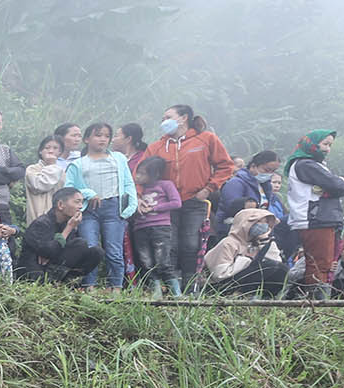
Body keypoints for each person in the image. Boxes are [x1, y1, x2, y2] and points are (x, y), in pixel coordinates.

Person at [146, 105, 235, 288]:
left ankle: (191, 286)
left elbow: (226, 166)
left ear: (183, 118)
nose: (164, 122)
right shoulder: (157, 147)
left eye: (168, 117)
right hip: (167, 204)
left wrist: (209, 188)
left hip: (195, 201)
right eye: (163, 118)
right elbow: (141, 173)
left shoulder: (206, 139)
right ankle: (170, 286)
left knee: (191, 244)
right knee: (169, 245)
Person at [63, 122, 137, 289]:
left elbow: (128, 183)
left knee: (114, 250)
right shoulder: (78, 163)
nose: (102, 139)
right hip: (89, 210)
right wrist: (88, 193)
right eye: (98, 135)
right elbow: (69, 188)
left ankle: (116, 287)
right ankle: (90, 286)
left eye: (106, 136)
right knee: (90, 248)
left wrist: (131, 206)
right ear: (87, 139)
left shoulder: (118, 158)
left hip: (114, 207)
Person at [282, 129, 344, 300]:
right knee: (320, 263)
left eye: (330, 145)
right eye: (325, 144)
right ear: (311, 145)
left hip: (322, 219)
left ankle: (308, 299)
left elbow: (339, 185)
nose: (328, 149)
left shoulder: (316, 165)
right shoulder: (305, 164)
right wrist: (339, 181)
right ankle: (317, 305)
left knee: (323, 263)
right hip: (315, 219)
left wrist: (339, 183)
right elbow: (338, 186)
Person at [15, 188, 101, 284]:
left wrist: (68, 229)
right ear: (60, 205)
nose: (80, 207)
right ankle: (51, 282)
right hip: (33, 271)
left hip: (51, 265)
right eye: (77, 202)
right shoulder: (41, 223)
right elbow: (49, 251)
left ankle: (67, 281)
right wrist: (69, 228)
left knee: (96, 252)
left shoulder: (66, 223)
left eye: (82, 202)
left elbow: (68, 251)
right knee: (80, 243)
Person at [218, 151, 291, 258]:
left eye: (273, 171)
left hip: (261, 227)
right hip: (237, 227)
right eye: (266, 170)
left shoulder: (265, 186)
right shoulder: (236, 183)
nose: (269, 174)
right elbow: (232, 208)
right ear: (253, 166)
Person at [202, 207, 288, 296]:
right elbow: (219, 274)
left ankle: (266, 298)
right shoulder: (228, 243)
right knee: (270, 267)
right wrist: (246, 260)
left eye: (266, 222)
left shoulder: (257, 243)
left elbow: (277, 263)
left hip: (242, 282)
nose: (263, 225)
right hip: (220, 286)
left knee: (281, 269)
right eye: (259, 222)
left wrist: (266, 242)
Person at [130, 155, 182, 296]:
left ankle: (176, 294)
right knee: (146, 262)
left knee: (163, 261)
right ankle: (156, 292)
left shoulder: (165, 185)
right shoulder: (135, 189)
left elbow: (176, 203)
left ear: (155, 174)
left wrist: (154, 208)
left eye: (143, 173)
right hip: (140, 228)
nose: (138, 176)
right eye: (138, 172)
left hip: (160, 227)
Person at [22, 136, 66, 224]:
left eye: (55, 148)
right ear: (40, 151)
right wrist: (51, 165)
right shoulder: (32, 169)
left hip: (57, 216)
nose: (51, 151)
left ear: (60, 152)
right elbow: (40, 185)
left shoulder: (61, 172)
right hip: (37, 216)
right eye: (47, 148)